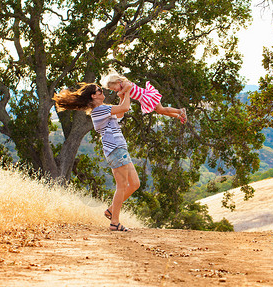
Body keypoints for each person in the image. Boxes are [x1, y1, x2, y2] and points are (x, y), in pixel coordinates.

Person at [53, 83, 140, 232]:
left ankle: (111, 211)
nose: (102, 91)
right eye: (99, 90)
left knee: (134, 184)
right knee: (122, 186)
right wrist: (128, 91)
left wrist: (123, 96)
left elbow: (119, 114)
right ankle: (115, 222)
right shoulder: (99, 110)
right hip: (116, 149)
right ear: (94, 96)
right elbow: (125, 108)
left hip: (119, 149)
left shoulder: (103, 109)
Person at [100, 72, 187, 124]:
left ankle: (180, 111)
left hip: (147, 96)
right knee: (160, 111)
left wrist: (121, 92)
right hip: (144, 99)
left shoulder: (125, 83)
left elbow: (129, 86)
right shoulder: (122, 89)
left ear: (118, 82)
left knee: (161, 109)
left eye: (114, 88)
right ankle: (178, 116)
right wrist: (121, 97)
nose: (116, 91)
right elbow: (122, 105)